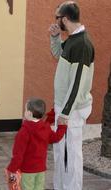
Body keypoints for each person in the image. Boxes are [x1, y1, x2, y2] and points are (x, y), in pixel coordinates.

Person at [49, 1, 95, 190]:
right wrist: (55, 37)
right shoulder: (73, 39)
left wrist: (65, 113)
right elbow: (57, 53)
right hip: (65, 107)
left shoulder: (82, 44)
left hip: (72, 111)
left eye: (57, 17)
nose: (56, 20)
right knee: (61, 153)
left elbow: (77, 83)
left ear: (65, 19)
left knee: (70, 156)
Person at [6, 98, 67, 190]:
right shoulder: (45, 128)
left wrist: (12, 169)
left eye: (25, 109)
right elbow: (56, 138)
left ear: (29, 113)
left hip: (27, 170)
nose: (24, 111)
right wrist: (62, 126)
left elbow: (18, 154)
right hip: (41, 169)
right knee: (38, 188)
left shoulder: (24, 132)